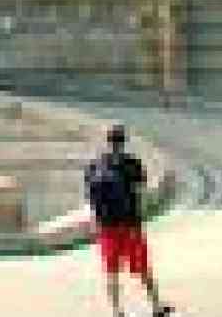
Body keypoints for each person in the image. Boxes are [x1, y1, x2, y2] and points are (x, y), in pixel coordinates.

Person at [84, 124, 172, 317]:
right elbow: (140, 193)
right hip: (130, 225)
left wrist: (95, 223)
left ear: (107, 141)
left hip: (106, 226)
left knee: (111, 270)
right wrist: (140, 219)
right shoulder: (132, 163)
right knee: (142, 268)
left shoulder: (94, 165)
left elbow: (90, 199)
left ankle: (117, 311)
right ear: (123, 142)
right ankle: (156, 306)